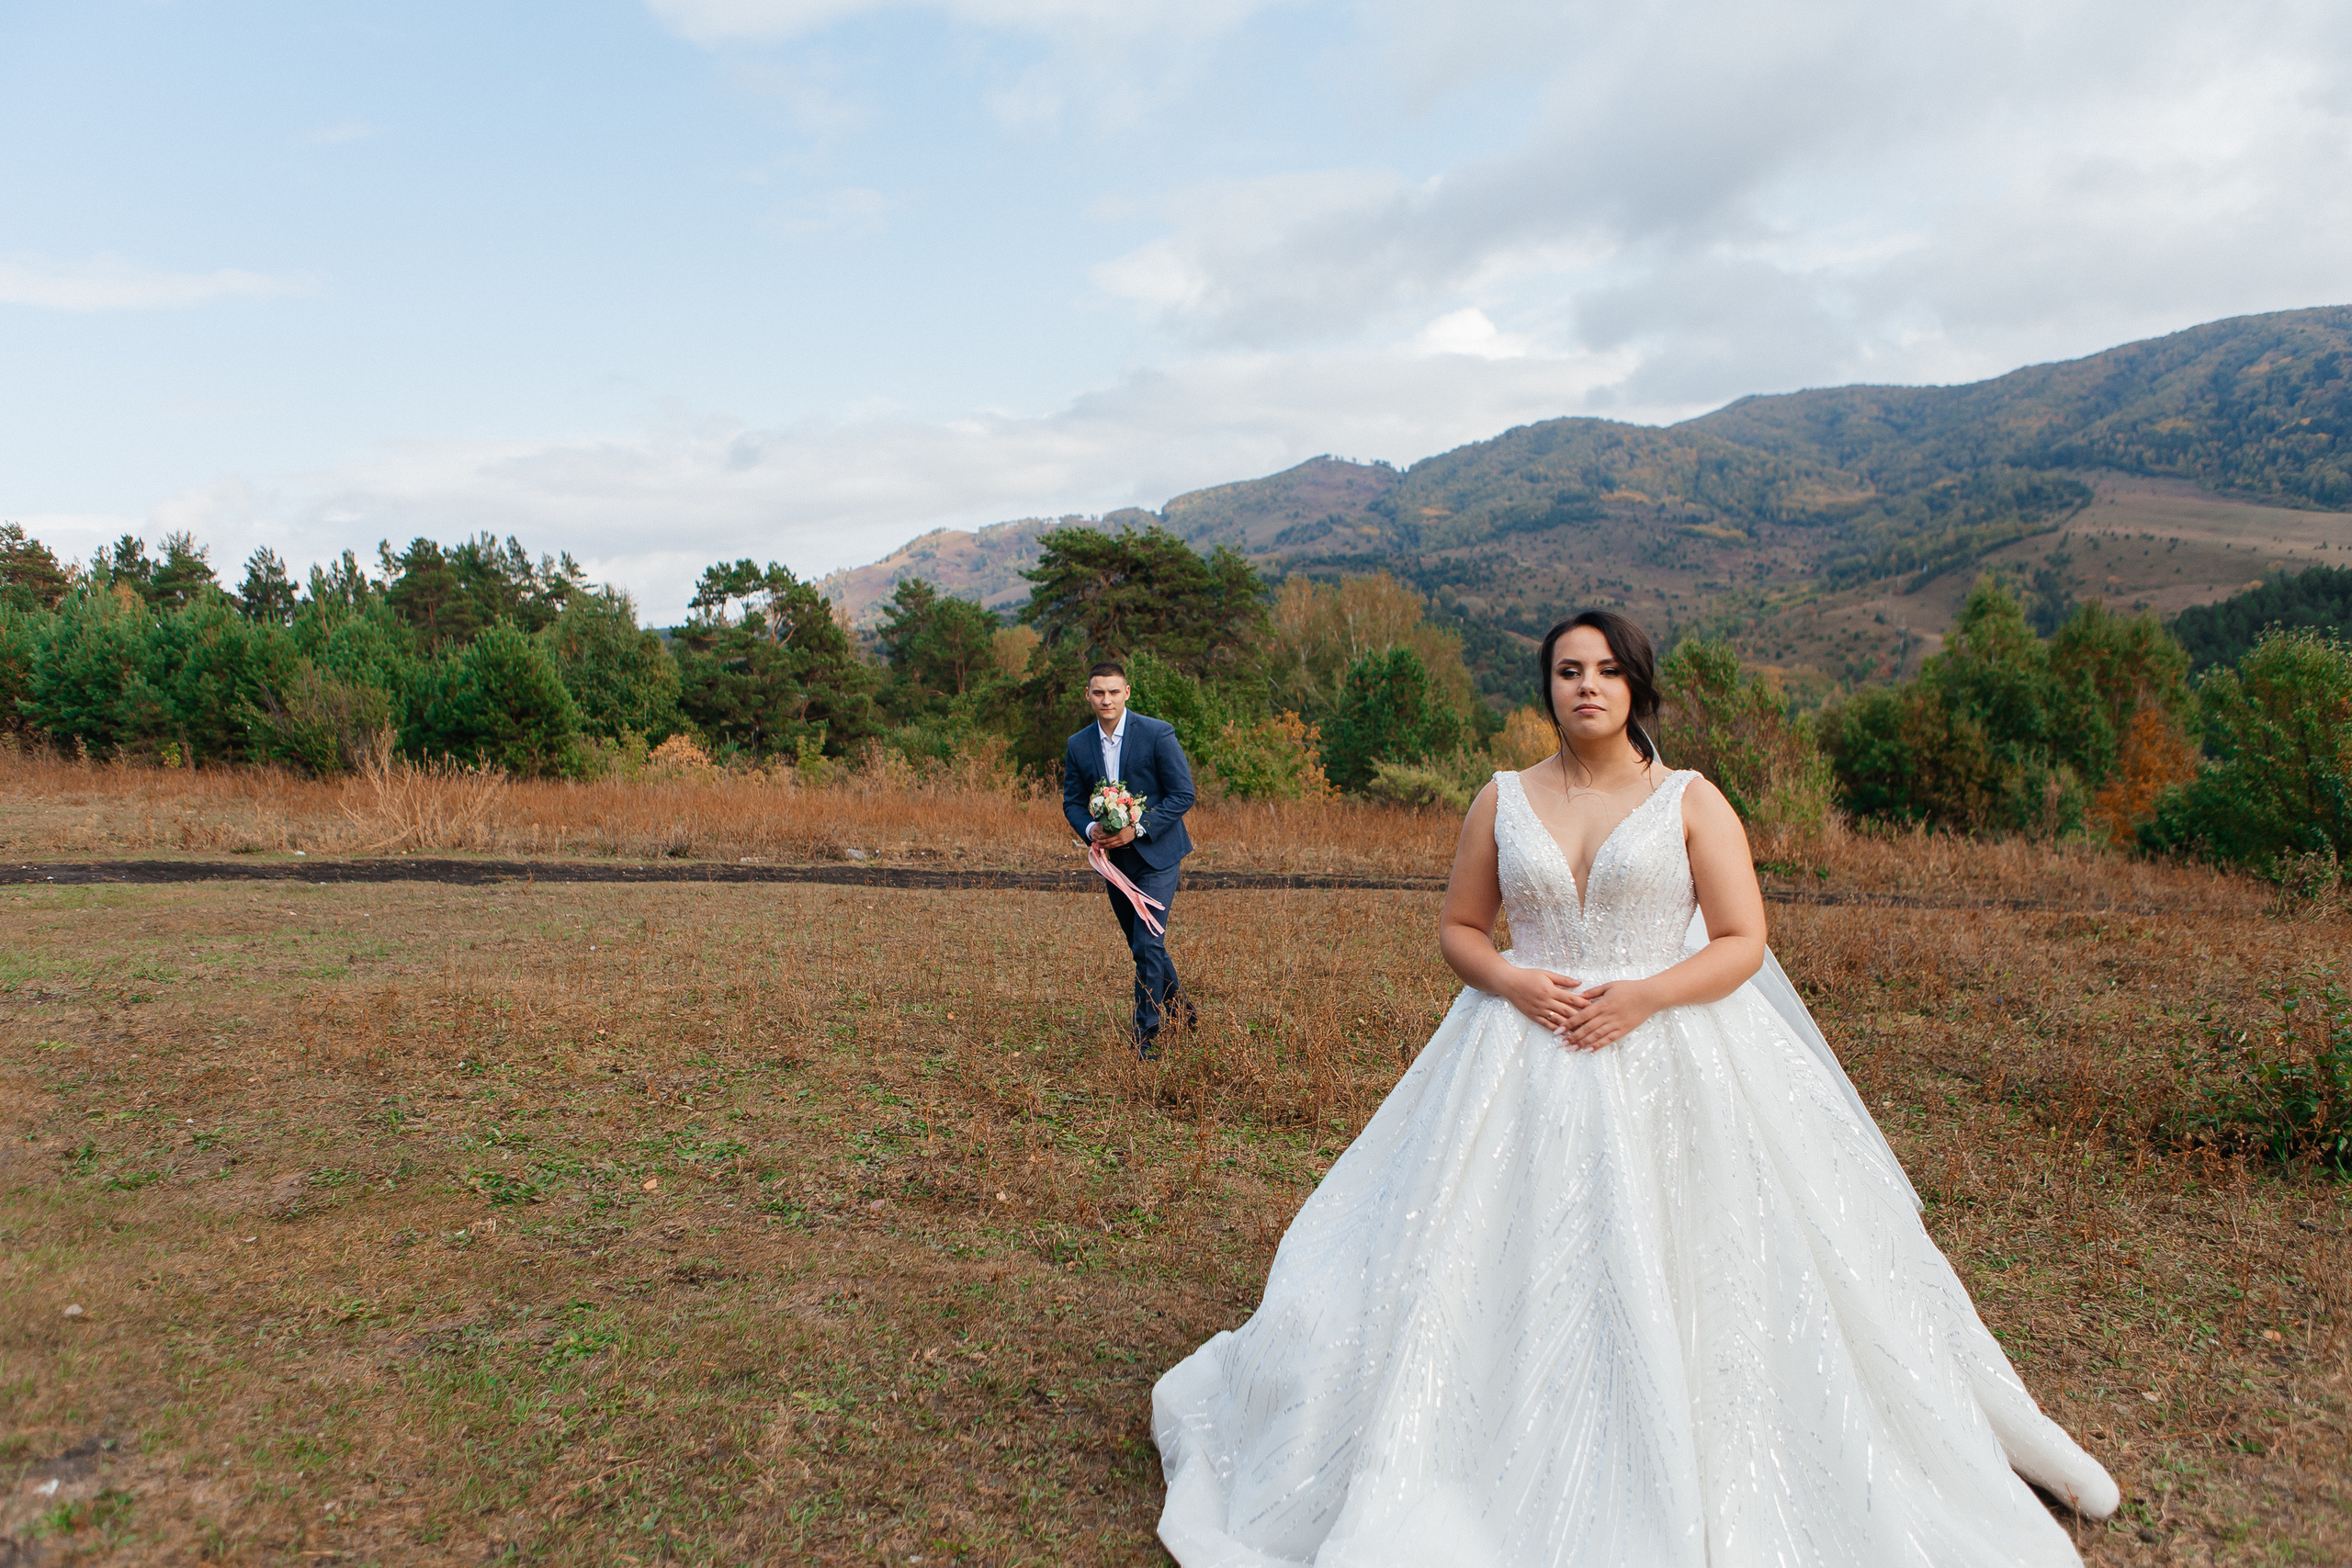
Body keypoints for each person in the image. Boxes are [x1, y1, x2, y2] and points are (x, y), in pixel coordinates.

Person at [1151, 610, 2120, 1567]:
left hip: (1673, 1044)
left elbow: (1744, 942)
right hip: (1515, 1045)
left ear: (1635, 687)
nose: (1586, 686)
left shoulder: (1692, 799)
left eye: (1607, 670)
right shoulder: (1500, 797)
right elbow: (1459, 928)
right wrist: (1513, 977)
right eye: (1568, 670)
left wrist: (1646, 997)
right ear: (1547, 688)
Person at [1062, 661, 1197, 1057]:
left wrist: (1137, 828)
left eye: (1113, 692)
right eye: (1098, 692)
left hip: (1157, 856)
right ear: (1087, 695)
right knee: (1143, 944)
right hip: (1114, 864)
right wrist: (1091, 830)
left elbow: (1182, 794)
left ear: (1127, 693)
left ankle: (1146, 1037)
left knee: (1147, 943)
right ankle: (1183, 1013)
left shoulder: (1157, 733)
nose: (1106, 699)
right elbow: (1072, 801)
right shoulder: (1078, 744)